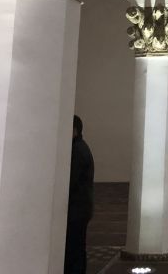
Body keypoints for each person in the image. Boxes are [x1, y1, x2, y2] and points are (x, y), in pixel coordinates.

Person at [65, 115, 94, 274]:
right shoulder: (80, 148)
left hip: (77, 210)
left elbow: (71, 180)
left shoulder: (77, 151)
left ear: (74, 130)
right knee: (77, 248)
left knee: (74, 249)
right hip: (81, 209)